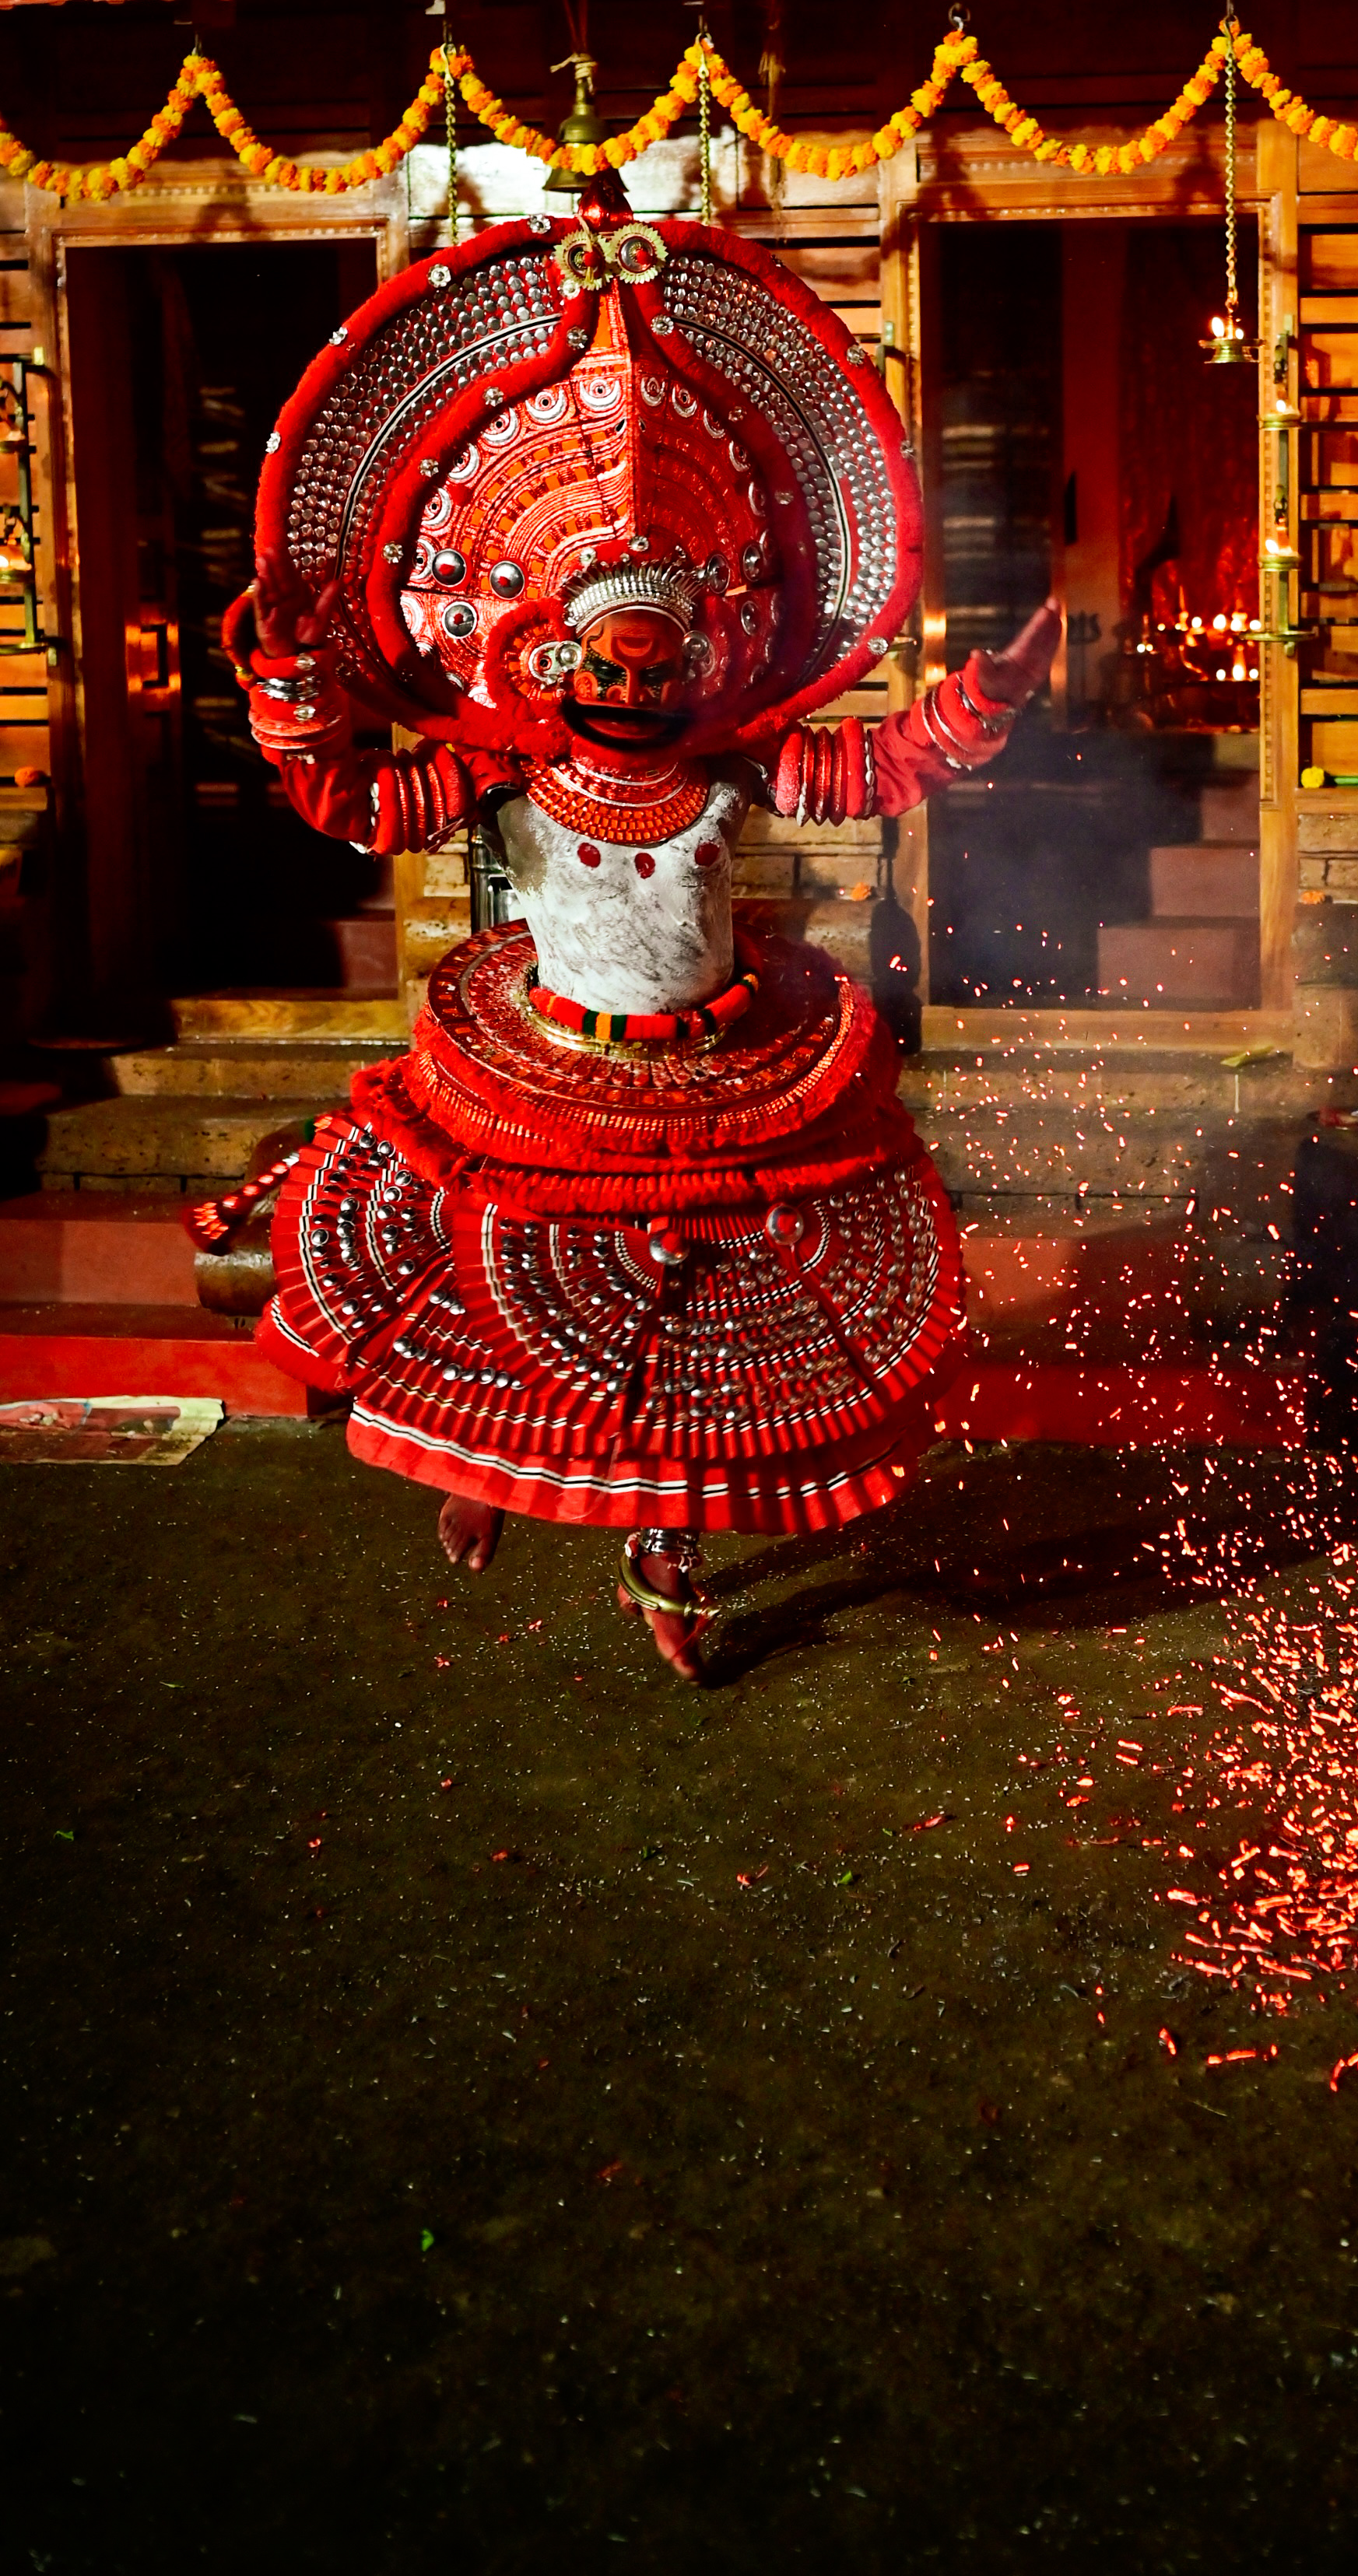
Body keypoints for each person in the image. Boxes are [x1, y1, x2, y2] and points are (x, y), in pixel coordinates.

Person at [194, 200, 1058, 1676]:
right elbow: (351, 801)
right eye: (602, 658)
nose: (629, 683)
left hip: (722, 1070)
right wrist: (287, 680)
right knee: (486, 1268)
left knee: (696, 1326)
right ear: (551, 655)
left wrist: (982, 705)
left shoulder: (726, 769)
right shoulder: (515, 777)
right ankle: (486, 1476)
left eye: (657, 660)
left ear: (704, 657)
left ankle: (670, 1557)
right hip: (550, 1065)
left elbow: (870, 768)